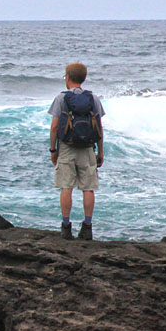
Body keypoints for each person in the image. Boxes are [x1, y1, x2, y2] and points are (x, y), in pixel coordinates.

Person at [49, 62, 105, 240]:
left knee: (67, 187)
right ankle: (87, 227)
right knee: (88, 189)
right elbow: (99, 127)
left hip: (67, 148)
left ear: (68, 77)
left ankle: (66, 227)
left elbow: (55, 127)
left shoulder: (61, 98)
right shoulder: (93, 98)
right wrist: (100, 151)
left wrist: (53, 150)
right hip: (88, 148)